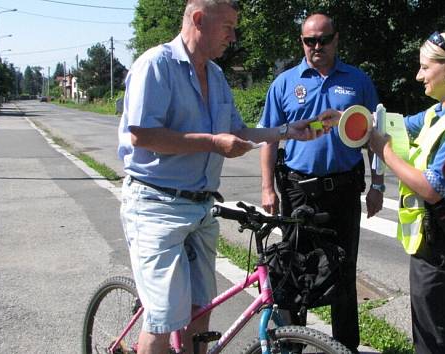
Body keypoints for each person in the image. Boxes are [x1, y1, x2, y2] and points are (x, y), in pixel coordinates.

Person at [117, 1, 328, 353]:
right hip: (156, 205)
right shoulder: (155, 65)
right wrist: (214, 143)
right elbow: (142, 134)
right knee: (163, 318)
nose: (233, 35)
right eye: (228, 25)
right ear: (199, 19)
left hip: (201, 208)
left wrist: (289, 131)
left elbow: (238, 130)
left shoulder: (214, 74)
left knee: (201, 310)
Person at [364, 31, 445, 353]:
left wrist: (385, 152)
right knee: (429, 330)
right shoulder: (441, 112)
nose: (418, 75)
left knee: (436, 338)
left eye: (425, 68)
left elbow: (433, 189)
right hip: (435, 241)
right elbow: (395, 125)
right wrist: (349, 120)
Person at [258, 13, 384, 353]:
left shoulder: (357, 81)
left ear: (336, 39)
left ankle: (345, 347)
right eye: (309, 40)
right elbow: (269, 139)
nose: (316, 46)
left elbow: (376, 136)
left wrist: (378, 184)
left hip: (342, 190)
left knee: (344, 270)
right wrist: (267, 187)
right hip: (298, 191)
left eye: (323, 39)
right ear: (302, 42)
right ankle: (292, 345)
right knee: (293, 271)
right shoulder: (285, 83)